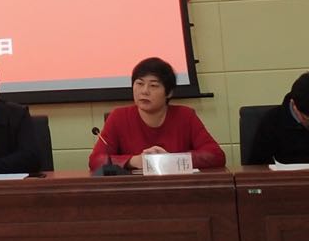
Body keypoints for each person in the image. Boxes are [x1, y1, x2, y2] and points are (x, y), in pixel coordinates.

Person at [88, 56, 225, 171]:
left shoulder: (185, 116)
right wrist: (134, 161)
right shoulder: (118, 117)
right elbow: (96, 160)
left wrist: (170, 159)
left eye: (153, 85)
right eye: (139, 84)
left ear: (169, 92)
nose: (144, 91)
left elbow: (216, 155)